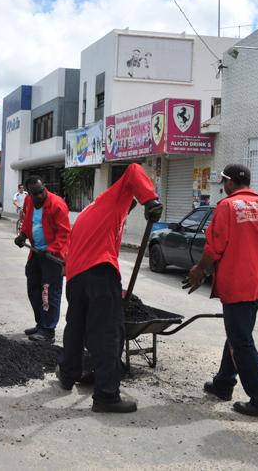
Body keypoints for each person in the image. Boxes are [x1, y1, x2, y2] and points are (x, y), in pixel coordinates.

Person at [57, 164, 162, 413]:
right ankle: (106, 395)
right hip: (99, 273)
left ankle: (68, 374)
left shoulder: (92, 211)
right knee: (107, 334)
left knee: (76, 328)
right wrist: (150, 200)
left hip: (76, 278)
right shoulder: (115, 196)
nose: (131, 208)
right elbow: (134, 169)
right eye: (132, 204)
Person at [185, 164, 258, 417]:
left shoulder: (227, 207)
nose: (223, 186)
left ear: (229, 182)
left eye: (223, 182)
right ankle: (223, 384)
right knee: (238, 334)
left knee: (240, 340)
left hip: (238, 283)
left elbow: (215, 247)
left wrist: (200, 270)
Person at [14, 178, 70, 343]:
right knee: (33, 289)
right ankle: (41, 324)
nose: (39, 195)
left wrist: (52, 249)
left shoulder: (57, 205)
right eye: (35, 193)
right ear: (29, 193)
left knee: (49, 292)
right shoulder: (29, 201)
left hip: (52, 256)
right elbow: (28, 221)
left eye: (41, 191)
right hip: (36, 253)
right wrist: (23, 235)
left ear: (44, 187)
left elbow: (64, 233)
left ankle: (48, 330)